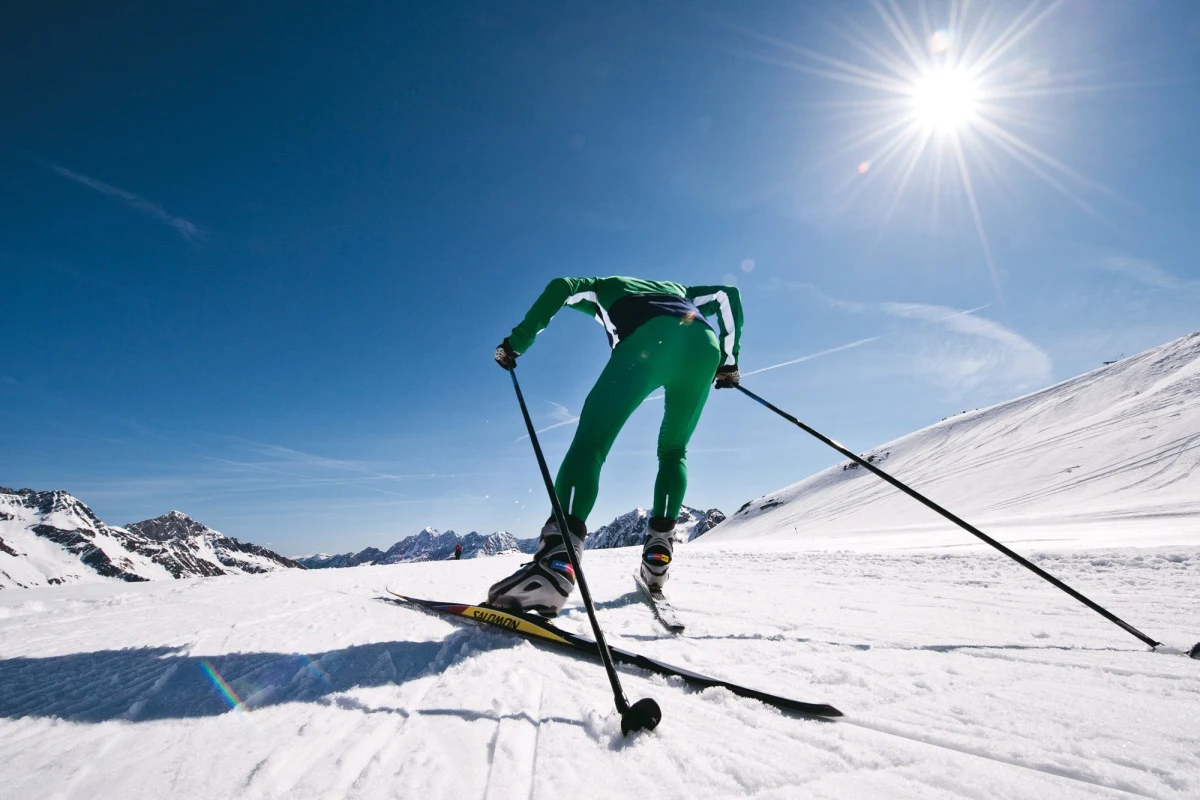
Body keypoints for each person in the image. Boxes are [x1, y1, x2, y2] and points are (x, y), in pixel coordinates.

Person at [488, 276, 743, 616]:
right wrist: (728, 361)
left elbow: (561, 286)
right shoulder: (680, 291)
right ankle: (657, 556)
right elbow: (728, 294)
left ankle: (557, 562)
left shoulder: (599, 287)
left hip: (647, 343)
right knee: (673, 450)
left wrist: (516, 343)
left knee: (591, 443)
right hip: (702, 346)